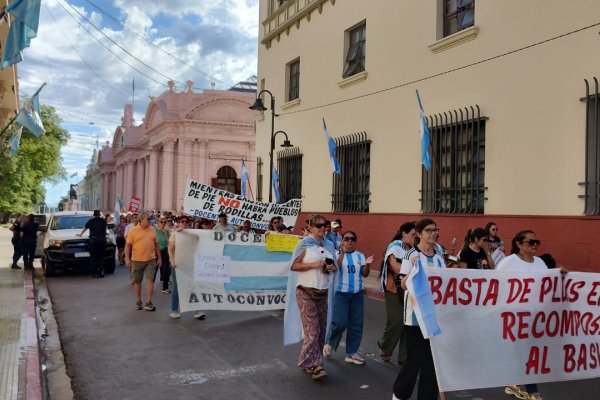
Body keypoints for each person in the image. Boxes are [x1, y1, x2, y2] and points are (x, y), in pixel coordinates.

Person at [496, 230, 562, 400]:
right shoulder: (508, 263)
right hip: (515, 317)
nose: (535, 245)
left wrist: (559, 274)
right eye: (530, 242)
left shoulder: (539, 262)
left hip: (536, 317)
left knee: (527, 351)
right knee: (526, 352)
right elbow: (495, 285)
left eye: (536, 242)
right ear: (518, 244)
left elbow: (548, 283)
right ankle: (533, 391)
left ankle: (514, 383)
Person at [392, 218, 446, 400]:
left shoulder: (439, 257)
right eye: (429, 230)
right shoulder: (411, 255)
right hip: (415, 317)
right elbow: (404, 285)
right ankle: (400, 394)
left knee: (432, 362)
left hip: (435, 316)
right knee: (415, 359)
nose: (433, 233)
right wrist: (413, 269)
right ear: (419, 233)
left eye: (435, 230)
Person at [289, 214, 337, 380]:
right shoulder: (304, 244)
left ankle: (308, 362)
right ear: (310, 227)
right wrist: (313, 265)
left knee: (320, 330)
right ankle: (317, 365)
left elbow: (335, 266)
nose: (323, 228)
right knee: (313, 330)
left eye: (325, 225)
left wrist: (332, 268)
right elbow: (294, 266)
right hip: (305, 291)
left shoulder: (329, 244)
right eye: (319, 226)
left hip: (322, 292)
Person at [323, 230, 373, 365]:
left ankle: (351, 353)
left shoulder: (360, 256)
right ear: (342, 241)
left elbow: (365, 274)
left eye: (352, 239)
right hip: (341, 293)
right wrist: (343, 252)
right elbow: (336, 268)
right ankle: (330, 343)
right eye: (346, 239)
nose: (349, 241)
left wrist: (367, 265)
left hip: (357, 293)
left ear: (355, 241)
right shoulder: (337, 255)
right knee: (340, 322)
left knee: (356, 324)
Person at [377, 221, 416, 364]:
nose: (414, 237)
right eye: (412, 234)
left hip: (410, 290)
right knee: (397, 320)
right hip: (394, 288)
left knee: (409, 323)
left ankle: (404, 357)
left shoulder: (415, 249)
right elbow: (397, 268)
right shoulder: (394, 247)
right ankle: (384, 346)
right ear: (404, 234)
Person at [168, 216, 206, 320]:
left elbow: (199, 239)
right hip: (178, 264)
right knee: (177, 288)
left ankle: (197, 310)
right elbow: (170, 249)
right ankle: (174, 310)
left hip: (191, 264)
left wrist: (186, 232)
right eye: (182, 221)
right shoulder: (175, 234)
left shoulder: (192, 234)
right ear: (179, 223)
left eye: (186, 222)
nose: (184, 223)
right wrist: (172, 260)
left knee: (194, 286)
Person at [125, 212, 162, 311]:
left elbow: (156, 245)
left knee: (150, 279)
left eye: (150, 219)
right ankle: (138, 301)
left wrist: (159, 258)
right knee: (137, 281)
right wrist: (127, 259)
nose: (149, 221)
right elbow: (128, 245)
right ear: (141, 220)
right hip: (136, 260)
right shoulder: (133, 230)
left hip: (151, 260)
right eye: (147, 219)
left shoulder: (153, 229)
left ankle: (148, 302)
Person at [77, 210, 108, 277]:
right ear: (99, 214)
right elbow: (105, 230)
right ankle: (101, 272)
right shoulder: (103, 221)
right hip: (102, 241)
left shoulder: (91, 221)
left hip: (93, 241)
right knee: (101, 257)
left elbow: (85, 228)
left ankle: (95, 273)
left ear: (93, 215)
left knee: (94, 257)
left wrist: (80, 234)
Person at [154, 217, 172, 294]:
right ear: (158, 222)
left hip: (164, 251)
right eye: (161, 222)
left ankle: (165, 287)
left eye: (164, 222)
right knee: (154, 270)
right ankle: (150, 285)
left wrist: (165, 233)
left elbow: (169, 243)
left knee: (166, 270)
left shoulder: (167, 231)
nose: (163, 224)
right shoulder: (154, 231)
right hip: (155, 252)